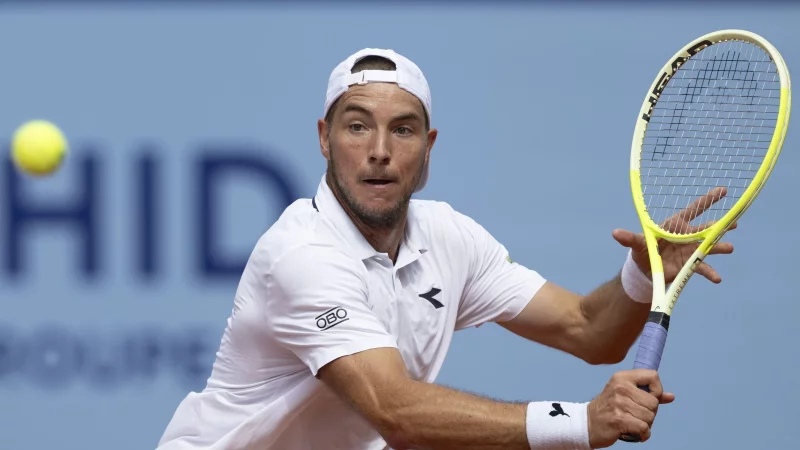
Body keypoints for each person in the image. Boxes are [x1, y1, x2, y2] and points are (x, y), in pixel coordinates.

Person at [156, 48, 734, 450]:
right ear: (324, 140)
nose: (379, 150)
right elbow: (397, 411)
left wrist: (643, 273)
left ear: (428, 147)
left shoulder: (449, 236)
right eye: (357, 127)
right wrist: (579, 422)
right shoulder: (301, 256)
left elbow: (588, 330)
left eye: (402, 130)